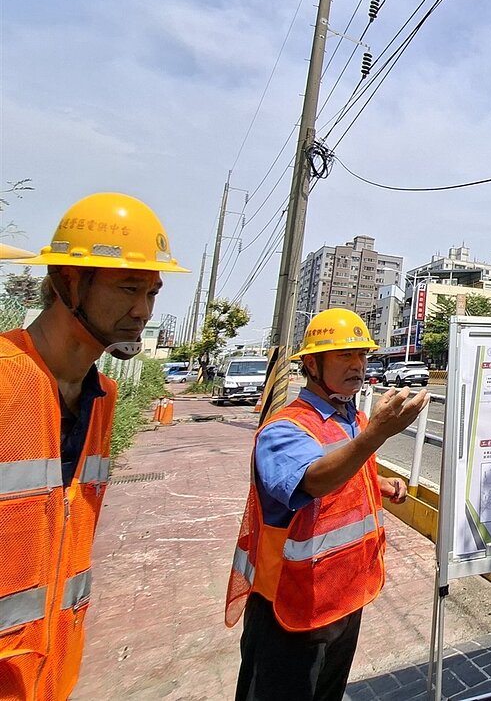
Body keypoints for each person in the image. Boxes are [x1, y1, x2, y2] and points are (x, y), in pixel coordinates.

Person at [0, 193, 189, 701]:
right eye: (129, 287)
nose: (143, 311)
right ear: (67, 282)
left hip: (52, 676)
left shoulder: (103, 398)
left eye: (152, 292)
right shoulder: (4, 381)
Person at [226, 308, 429, 701]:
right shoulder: (285, 428)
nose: (357, 365)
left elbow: (347, 469)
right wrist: (375, 437)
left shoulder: (353, 418)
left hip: (344, 596)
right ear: (312, 364)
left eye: (362, 355)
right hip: (291, 606)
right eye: (344, 355)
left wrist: (379, 481)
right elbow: (314, 479)